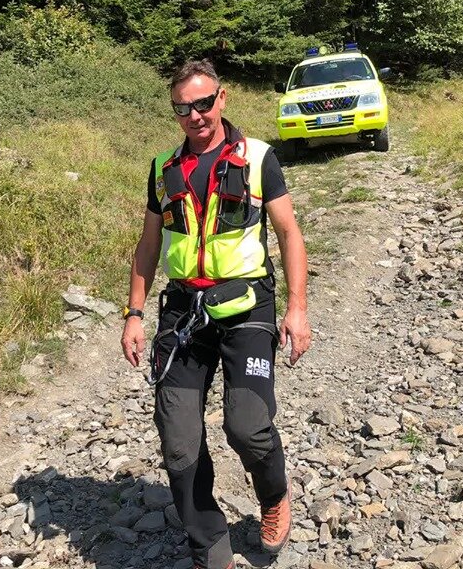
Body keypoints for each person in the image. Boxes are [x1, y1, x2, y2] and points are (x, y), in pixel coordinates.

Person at [121, 60, 311, 569]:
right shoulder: (163, 167)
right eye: (184, 107)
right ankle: (210, 544)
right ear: (175, 111)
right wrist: (134, 312)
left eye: (204, 103)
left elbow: (290, 233)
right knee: (179, 442)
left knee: (246, 426)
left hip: (247, 305)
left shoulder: (259, 158)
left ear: (222, 99)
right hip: (184, 311)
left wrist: (297, 308)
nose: (196, 115)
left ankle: (273, 497)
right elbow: (147, 244)